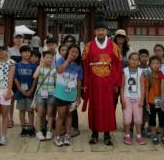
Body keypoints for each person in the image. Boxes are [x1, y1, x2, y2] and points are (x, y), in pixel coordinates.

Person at [82, 12, 122, 146]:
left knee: (108, 108)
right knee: (94, 107)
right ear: (94, 32)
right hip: (93, 83)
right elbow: (85, 66)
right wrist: (85, 83)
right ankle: (94, 133)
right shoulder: (88, 46)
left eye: (103, 30)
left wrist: (116, 82)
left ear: (106, 31)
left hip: (108, 83)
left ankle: (107, 134)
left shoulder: (114, 46)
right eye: (98, 30)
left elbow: (117, 65)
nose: (100, 32)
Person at [53, 44, 83, 147]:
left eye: (76, 52)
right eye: (72, 52)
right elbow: (59, 70)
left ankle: (67, 135)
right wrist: (67, 61)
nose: (74, 54)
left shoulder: (79, 66)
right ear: (68, 52)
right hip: (61, 93)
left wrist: (78, 96)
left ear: (79, 54)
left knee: (69, 115)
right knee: (61, 115)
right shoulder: (61, 60)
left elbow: (79, 82)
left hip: (72, 94)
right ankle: (57, 136)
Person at [0, 45, 15, 146]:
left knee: (5, 113)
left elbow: (11, 78)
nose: (1, 52)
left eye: (3, 50)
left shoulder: (11, 62)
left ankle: (4, 135)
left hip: (5, 90)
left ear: (7, 52)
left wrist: (9, 91)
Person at [121, 53, 146, 145]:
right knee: (127, 119)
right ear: (128, 60)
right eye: (132, 59)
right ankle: (127, 135)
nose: (134, 61)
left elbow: (143, 87)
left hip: (138, 98)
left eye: (136, 59)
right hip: (127, 97)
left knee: (138, 119)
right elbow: (122, 86)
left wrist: (142, 99)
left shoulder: (140, 72)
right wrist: (122, 99)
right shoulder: (125, 71)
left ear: (139, 61)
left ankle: (139, 135)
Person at [14, 45, 38, 137]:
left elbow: (35, 79)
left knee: (30, 110)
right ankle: (23, 128)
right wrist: (20, 89)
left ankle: (31, 128)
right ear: (21, 53)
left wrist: (31, 90)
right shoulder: (17, 65)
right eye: (25, 52)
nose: (27, 53)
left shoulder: (34, 66)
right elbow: (15, 79)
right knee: (22, 110)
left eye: (28, 52)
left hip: (31, 92)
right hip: (20, 92)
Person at [33, 51, 57, 141]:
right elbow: (34, 76)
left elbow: (56, 83)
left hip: (51, 94)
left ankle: (49, 131)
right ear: (43, 58)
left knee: (50, 114)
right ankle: (38, 131)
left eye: (51, 58)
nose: (49, 59)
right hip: (40, 94)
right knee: (40, 113)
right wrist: (40, 66)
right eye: (47, 57)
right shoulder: (40, 68)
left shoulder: (54, 70)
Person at [146, 56, 164, 145]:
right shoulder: (148, 75)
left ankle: (160, 133)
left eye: (157, 63)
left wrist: (163, 99)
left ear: (160, 64)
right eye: (153, 63)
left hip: (160, 100)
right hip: (151, 100)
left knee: (161, 117)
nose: (155, 65)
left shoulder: (162, 74)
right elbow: (145, 89)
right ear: (149, 65)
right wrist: (146, 103)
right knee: (152, 118)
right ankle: (153, 134)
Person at [8, 32, 25, 128]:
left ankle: (23, 118)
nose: (18, 40)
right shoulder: (9, 50)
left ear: (23, 39)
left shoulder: (27, 49)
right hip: (12, 77)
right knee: (11, 99)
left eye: (20, 38)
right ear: (13, 39)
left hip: (22, 77)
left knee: (23, 99)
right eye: (16, 38)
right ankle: (10, 118)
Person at [139, 48, 151, 136]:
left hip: (148, 93)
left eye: (146, 56)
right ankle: (132, 128)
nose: (144, 58)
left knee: (145, 112)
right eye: (142, 56)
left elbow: (151, 82)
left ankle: (143, 128)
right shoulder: (136, 68)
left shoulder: (150, 68)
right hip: (138, 93)